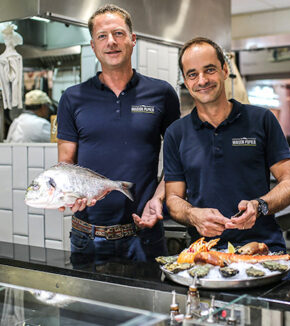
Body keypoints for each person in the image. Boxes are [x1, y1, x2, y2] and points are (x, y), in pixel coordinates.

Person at [56, 4, 180, 262]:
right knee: (84, 304)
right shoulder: (72, 98)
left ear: (133, 40)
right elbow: (66, 163)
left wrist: (158, 199)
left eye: (118, 34)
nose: (111, 42)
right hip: (88, 236)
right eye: (102, 36)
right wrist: (70, 193)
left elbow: (176, 161)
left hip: (144, 235)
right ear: (93, 46)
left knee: (152, 303)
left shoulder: (162, 93)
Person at [163, 37, 290, 252]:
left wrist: (260, 206)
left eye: (209, 70)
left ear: (225, 70)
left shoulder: (261, 120)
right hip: (204, 253)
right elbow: (173, 198)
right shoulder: (176, 133)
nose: (202, 80)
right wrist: (192, 214)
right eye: (192, 74)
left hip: (263, 248)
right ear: (185, 81)